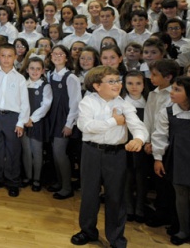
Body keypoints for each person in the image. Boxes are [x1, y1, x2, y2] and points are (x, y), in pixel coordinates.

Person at [71, 66, 148, 248]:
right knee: (89, 194)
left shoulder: (124, 104)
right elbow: (85, 126)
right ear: (97, 86)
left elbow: (138, 126)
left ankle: (116, 237)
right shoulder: (87, 102)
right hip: (91, 152)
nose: (117, 84)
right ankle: (88, 231)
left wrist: (138, 138)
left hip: (116, 154)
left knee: (116, 197)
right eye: (111, 81)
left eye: (118, 80)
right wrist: (114, 121)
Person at [151, 76, 190, 247]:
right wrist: (158, 158)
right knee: (180, 197)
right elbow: (160, 136)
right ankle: (183, 230)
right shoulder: (168, 111)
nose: (171, 93)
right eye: (172, 88)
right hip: (177, 159)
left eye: (177, 90)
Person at [0, 43, 30, 197]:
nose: (6, 59)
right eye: (3, 55)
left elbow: (24, 103)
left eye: (10, 56)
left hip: (12, 117)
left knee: (13, 151)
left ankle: (13, 181)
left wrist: (20, 122)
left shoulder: (20, 79)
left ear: (15, 58)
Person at [143, 58, 181, 230]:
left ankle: (175, 218)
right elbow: (149, 119)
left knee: (171, 184)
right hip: (155, 143)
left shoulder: (174, 95)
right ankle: (161, 213)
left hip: (170, 145)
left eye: (155, 75)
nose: (151, 77)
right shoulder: (153, 94)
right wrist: (148, 140)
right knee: (159, 182)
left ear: (168, 77)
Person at [45, 45, 82, 200]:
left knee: (60, 153)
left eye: (61, 54)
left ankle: (67, 187)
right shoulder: (49, 75)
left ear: (66, 57)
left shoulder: (71, 77)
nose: (57, 56)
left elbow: (75, 102)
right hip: (51, 116)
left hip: (63, 118)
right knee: (54, 153)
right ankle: (60, 182)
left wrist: (69, 124)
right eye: (55, 54)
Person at [21, 57, 52, 192]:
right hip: (23, 122)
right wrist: (24, 119)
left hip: (36, 122)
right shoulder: (23, 84)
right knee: (26, 151)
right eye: (32, 68)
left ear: (43, 71)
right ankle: (28, 176)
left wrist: (32, 119)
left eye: (38, 68)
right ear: (27, 70)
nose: (35, 71)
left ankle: (37, 179)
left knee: (36, 152)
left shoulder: (45, 86)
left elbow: (46, 105)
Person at [122, 70, 148, 224]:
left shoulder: (148, 101)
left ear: (143, 84)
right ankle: (128, 207)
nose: (134, 87)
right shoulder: (122, 101)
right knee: (127, 175)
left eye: (138, 83)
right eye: (130, 83)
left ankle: (140, 207)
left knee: (141, 176)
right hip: (125, 142)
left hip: (142, 142)